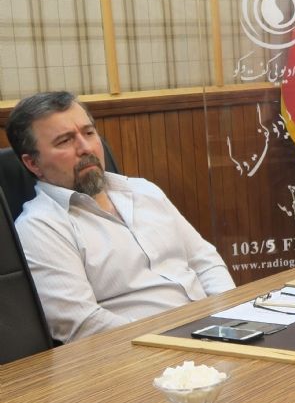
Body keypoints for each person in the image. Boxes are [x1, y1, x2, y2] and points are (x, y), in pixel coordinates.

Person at [6, 91, 235, 343]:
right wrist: (175, 338)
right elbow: (81, 323)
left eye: (89, 133)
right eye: (64, 141)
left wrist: (230, 316)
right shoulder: (40, 226)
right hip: (143, 352)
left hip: (214, 332)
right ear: (33, 163)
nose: (86, 148)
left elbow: (205, 261)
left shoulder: (143, 190)